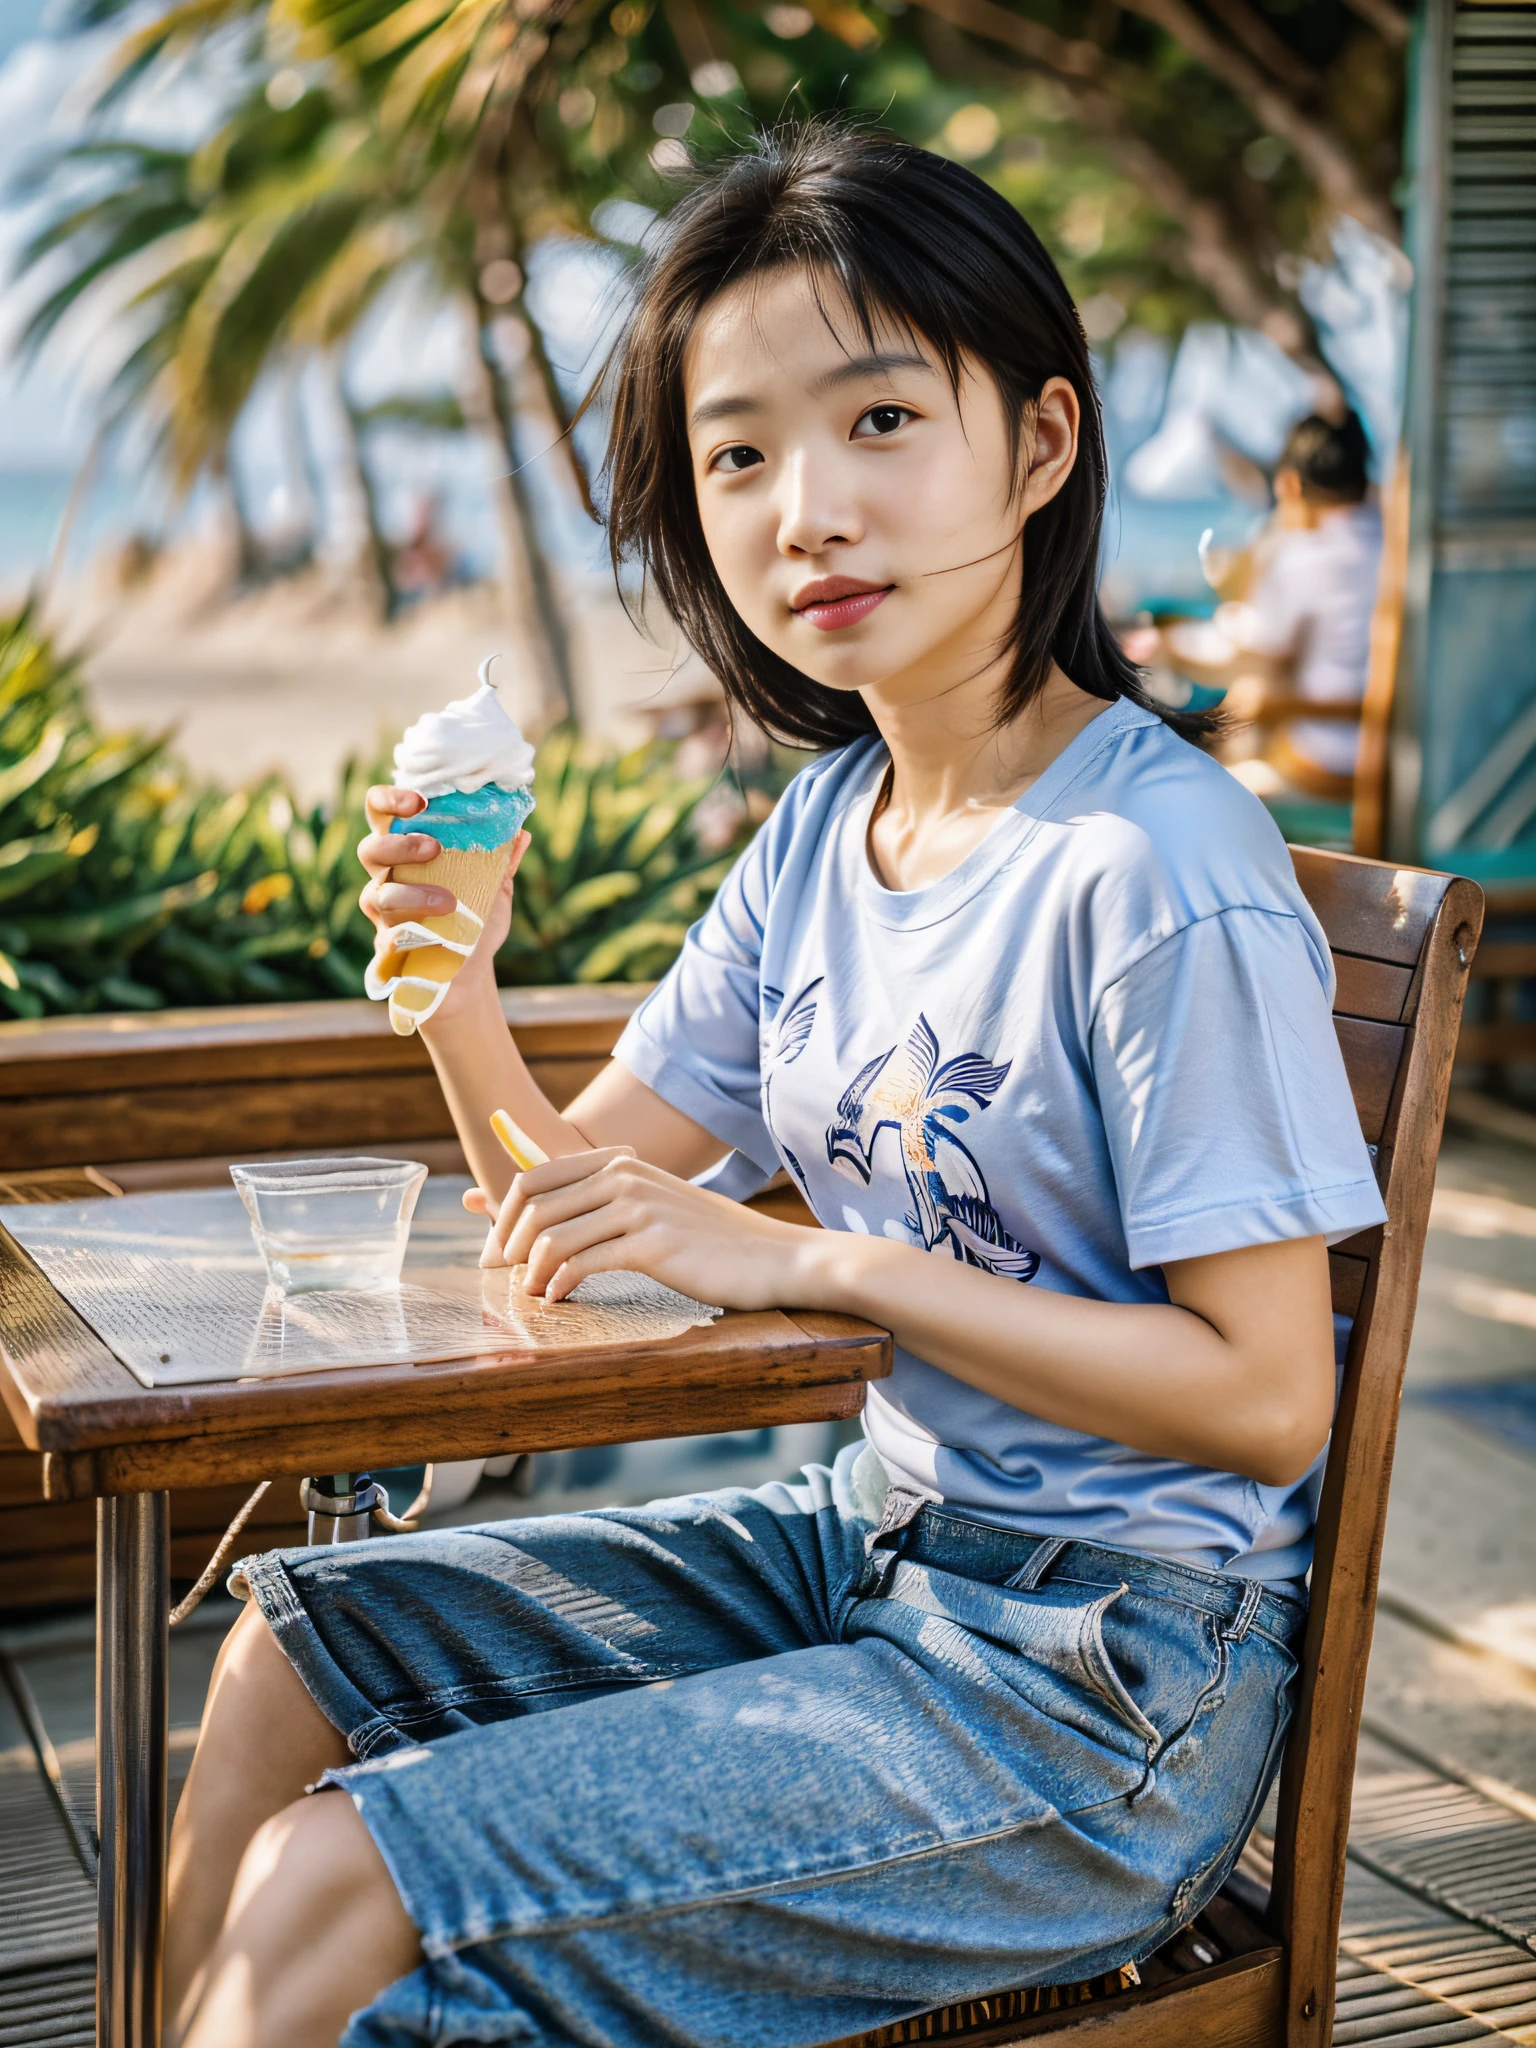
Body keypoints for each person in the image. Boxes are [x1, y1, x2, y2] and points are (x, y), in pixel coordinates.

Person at [163, 123, 1388, 2048]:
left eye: (881, 417)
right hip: (867, 1549)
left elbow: (1260, 1398)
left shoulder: (1153, 871)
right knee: (290, 1654)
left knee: (342, 1876)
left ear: (1041, 444)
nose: (805, 507)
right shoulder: (830, 828)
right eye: (737, 454)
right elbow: (572, 1192)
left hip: (1105, 1680)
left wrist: (822, 1267)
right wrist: (456, 982)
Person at [1136, 412, 1383, 804]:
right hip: (1385, 752)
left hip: (1328, 761)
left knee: (1198, 778)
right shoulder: (1385, 536)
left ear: (1291, 485)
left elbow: (1253, 655)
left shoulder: (1306, 555)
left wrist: (1168, 648)